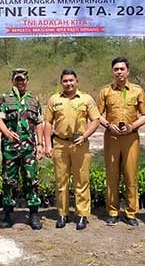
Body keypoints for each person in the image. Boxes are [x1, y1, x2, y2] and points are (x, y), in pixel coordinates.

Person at [43, 68, 101, 230]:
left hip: (80, 143)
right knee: (61, 181)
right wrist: (48, 144)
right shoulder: (54, 99)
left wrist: (85, 136)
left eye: (71, 80)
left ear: (76, 81)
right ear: (61, 83)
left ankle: (82, 215)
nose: (68, 83)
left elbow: (95, 120)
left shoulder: (86, 99)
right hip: (60, 144)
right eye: (65, 81)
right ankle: (62, 214)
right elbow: (47, 122)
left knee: (81, 180)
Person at [96, 57, 145, 227]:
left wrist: (133, 126)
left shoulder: (137, 91)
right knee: (112, 176)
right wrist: (108, 125)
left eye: (122, 69)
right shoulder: (105, 91)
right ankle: (112, 211)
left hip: (130, 138)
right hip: (111, 138)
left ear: (128, 71)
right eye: (116, 69)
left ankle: (131, 213)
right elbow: (97, 115)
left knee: (130, 175)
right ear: (113, 71)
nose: (119, 72)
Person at [0, 68, 45, 230]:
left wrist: (40, 144)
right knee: (9, 181)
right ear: (12, 81)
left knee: (31, 179)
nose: (20, 82)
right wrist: (7, 133)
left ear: (27, 81)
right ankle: (8, 214)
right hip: (10, 148)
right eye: (17, 79)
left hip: (29, 148)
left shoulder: (33, 100)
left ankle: (34, 214)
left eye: (22, 80)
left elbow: (39, 123)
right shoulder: (4, 98)